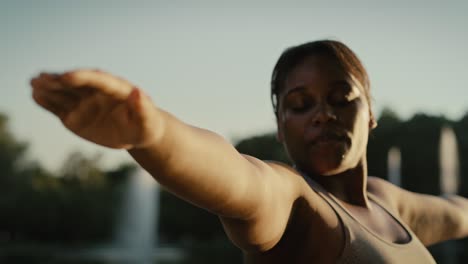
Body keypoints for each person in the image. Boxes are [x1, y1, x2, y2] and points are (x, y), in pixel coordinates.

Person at [31, 40, 468, 263]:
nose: (322, 115)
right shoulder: (295, 202)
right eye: (300, 105)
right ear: (280, 126)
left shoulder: (390, 202)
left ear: (370, 112)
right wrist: (154, 134)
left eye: (340, 97)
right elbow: (236, 178)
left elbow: (457, 212)